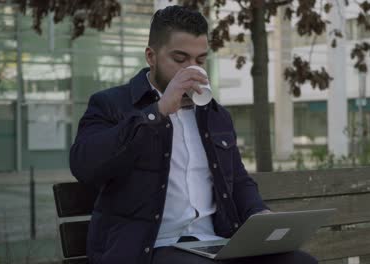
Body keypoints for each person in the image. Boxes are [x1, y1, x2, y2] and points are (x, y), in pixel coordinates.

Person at [70, 5, 317, 264]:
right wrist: (158, 111)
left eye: (200, 60)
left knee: (300, 262)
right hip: (149, 248)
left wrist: (259, 214)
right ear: (151, 57)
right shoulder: (111, 104)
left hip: (213, 244)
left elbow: (239, 181)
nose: (192, 69)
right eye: (180, 59)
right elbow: (84, 165)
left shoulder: (214, 114)